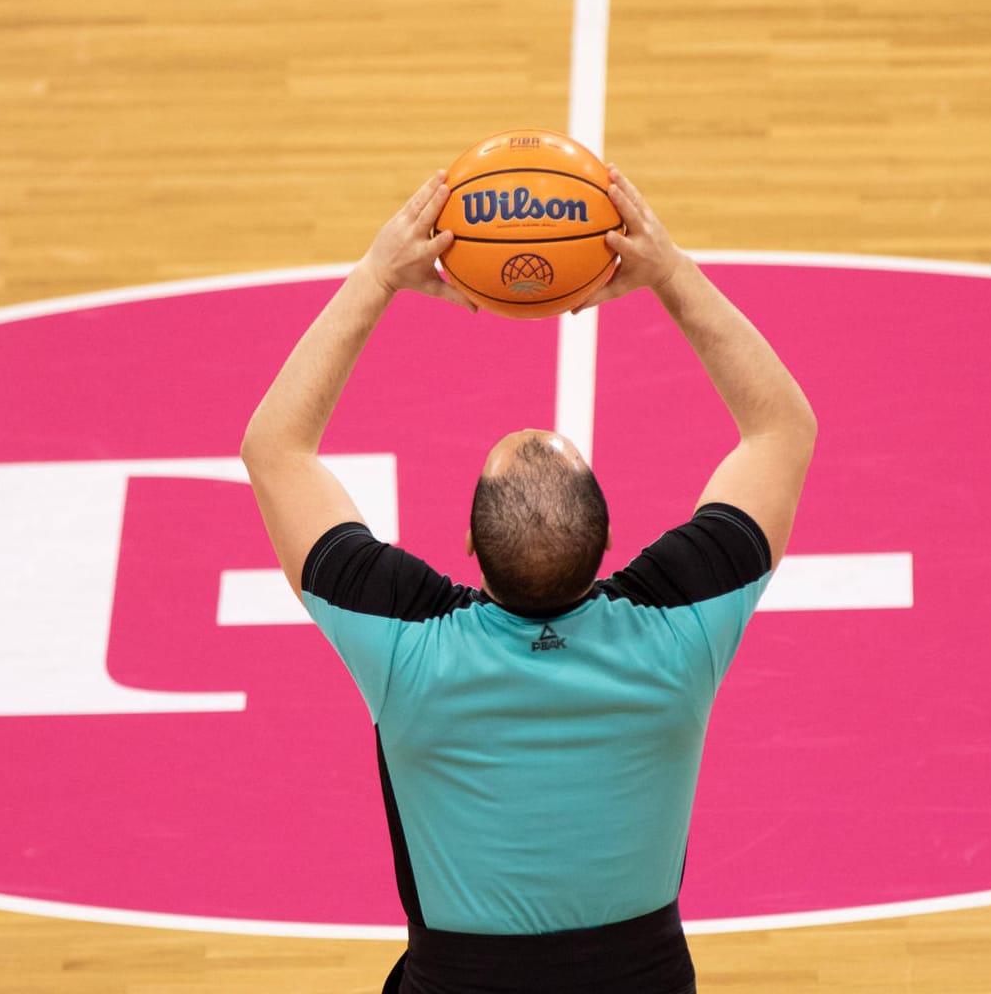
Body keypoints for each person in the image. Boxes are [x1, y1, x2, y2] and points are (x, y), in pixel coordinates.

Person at [241, 165, 816, 994]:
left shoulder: (408, 649)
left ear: (467, 549)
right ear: (610, 539)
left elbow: (275, 450)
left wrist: (377, 276)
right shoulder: (679, 631)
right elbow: (781, 431)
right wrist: (669, 273)